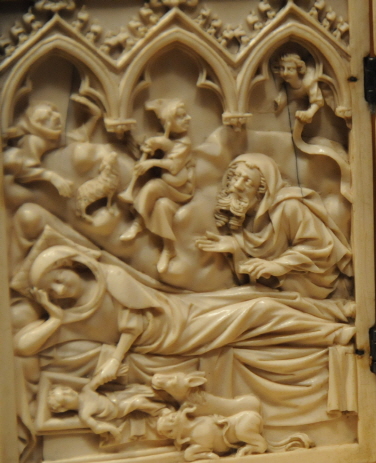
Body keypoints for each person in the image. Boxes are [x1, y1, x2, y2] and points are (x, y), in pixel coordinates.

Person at [12, 235, 356, 390]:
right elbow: (22, 346)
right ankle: (336, 334)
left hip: (179, 313)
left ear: (71, 265)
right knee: (260, 310)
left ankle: (338, 310)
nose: (60, 291)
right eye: (52, 290)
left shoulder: (112, 277)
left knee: (254, 293)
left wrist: (115, 359)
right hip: (175, 336)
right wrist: (54, 319)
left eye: (59, 279)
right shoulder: (70, 316)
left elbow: (134, 322)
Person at [195, 153, 352, 300]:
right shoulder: (244, 214)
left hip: (308, 280)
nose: (237, 186)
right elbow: (259, 255)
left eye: (247, 181)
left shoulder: (289, 207)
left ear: (262, 190)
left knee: (253, 303)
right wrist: (236, 246)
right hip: (276, 283)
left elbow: (318, 246)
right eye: (235, 177)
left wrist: (279, 265)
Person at [118, 99, 195, 274]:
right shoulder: (164, 137)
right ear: (169, 123)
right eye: (181, 116)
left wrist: (152, 162)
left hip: (181, 189)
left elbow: (174, 166)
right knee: (162, 206)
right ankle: (168, 249)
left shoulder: (185, 142)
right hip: (169, 190)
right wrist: (150, 147)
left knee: (153, 186)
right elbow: (161, 146)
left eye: (185, 115)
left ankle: (139, 223)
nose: (188, 118)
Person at [47, 383, 166, 441]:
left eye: (65, 389)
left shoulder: (86, 390)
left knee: (139, 390)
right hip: (118, 409)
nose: (68, 392)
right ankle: (161, 410)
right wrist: (113, 430)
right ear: (63, 408)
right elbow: (97, 427)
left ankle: (166, 397)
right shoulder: (84, 413)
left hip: (114, 397)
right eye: (64, 397)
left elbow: (99, 379)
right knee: (138, 402)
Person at [3, 101, 74, 198]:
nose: (57, 116)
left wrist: (93, 118)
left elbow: (76, 137)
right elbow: (22, 169)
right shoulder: (33, 140)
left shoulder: (54, 136)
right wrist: (51, 177)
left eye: (54, 111)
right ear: (38, 124)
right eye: (48, 116)